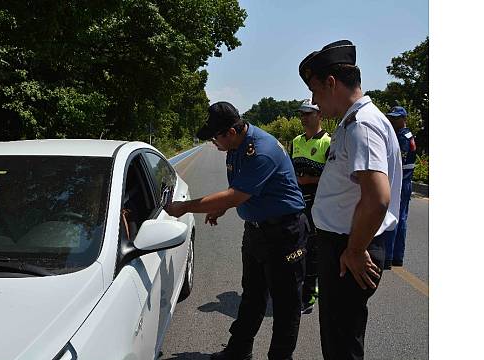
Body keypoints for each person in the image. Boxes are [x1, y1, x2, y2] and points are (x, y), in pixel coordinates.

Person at [164, 101, 308, 360]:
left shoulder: (260, 151)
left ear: (230, 132)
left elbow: (234, 195)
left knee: (286, 305)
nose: (213, 144)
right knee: (252, 295)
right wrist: (222, 208)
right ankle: (238, 351)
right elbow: (243, 192)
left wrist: (185, 207)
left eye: (214, 138)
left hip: (284, 234)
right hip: (256, 232)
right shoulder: (235, 146)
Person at [298, 40, 402, 360]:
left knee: (342, 342)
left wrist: (355, 251)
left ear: (331, 83)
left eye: (315, 91)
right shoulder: (350, 123)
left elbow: (377, 197)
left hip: (349, 248)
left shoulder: (363, 126)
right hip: (345, 245)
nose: (314, 101)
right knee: (339, 336)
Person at [290, 99, 331, 314]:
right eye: (302, 114)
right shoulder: (295, 141)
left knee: (313, 250)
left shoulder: (327, 142)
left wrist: (310, 181)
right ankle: (298, 290)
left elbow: (335, 177)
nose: (304, 118)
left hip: (319, 205)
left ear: (319, 115)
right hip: (297, 205)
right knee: (298, 249)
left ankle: (309, 296)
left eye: (309, 113)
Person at [383, 106, 416, 269]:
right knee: (400, 217)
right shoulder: (406, 134)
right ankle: (396, 256)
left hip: (401, 181)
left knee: (393, 216)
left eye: (396, 118)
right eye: (391, 117)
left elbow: (398, 162)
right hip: (405, 181)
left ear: (404, 119)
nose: (392, 121)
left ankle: (389, 256)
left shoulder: (402, 137)